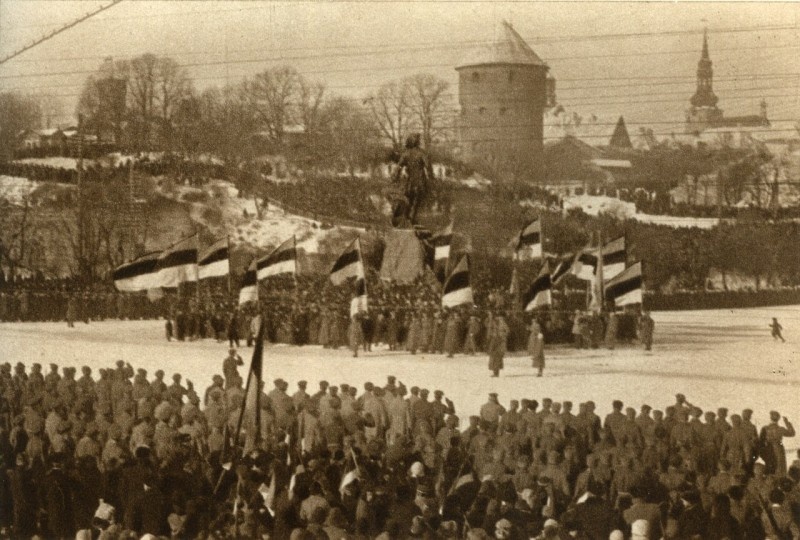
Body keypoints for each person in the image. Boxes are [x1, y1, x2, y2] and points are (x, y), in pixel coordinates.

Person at [391, 133, 432, 226]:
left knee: (408, 199)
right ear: (417, 143)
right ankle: (411, 219)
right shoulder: (421, 153)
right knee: (417, 200)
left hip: (410, 182)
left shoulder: (406, 154)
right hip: (420, 181)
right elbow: (427, 166)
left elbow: (398, 167)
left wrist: (395, 177)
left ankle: (406, 218)